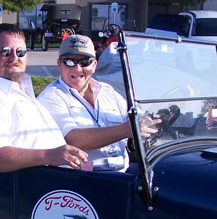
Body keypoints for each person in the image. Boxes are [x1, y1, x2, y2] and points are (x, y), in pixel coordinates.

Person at [0, 24, 88, 173]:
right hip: (31, 185)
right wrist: (48, 155)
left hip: (63, 181)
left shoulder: (18, 91)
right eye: (6, 52)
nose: (14, 58)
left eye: (21, 52)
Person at [37, 34, 158, 172]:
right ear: (59, 64)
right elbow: (73, 139)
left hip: (124, 171)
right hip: (85, 177)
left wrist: (155, 119)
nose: (77, 68)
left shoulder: (107, 91)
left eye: (85, 62)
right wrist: (126, 130)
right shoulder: (50, 97)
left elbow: (135, 117)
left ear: (94, 65)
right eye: (69, 62)